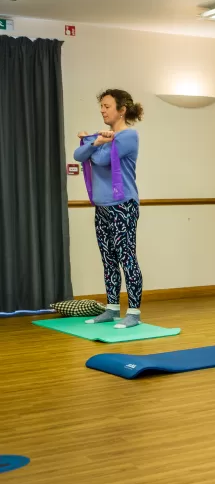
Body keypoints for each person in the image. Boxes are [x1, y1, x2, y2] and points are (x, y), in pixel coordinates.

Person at [73, 89, 145, 329]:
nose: (102, 111)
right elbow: (78, 154)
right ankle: (112, 308)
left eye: (107, 106)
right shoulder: (104, 137)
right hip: (103, 207)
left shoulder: (128, 136)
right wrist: (96, 141)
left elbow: (100, 159)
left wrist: (93, 143)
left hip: (123, 205)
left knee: (127, 258)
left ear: (121, 110)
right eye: (101, 106)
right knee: (108, 259)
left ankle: (133, 312)